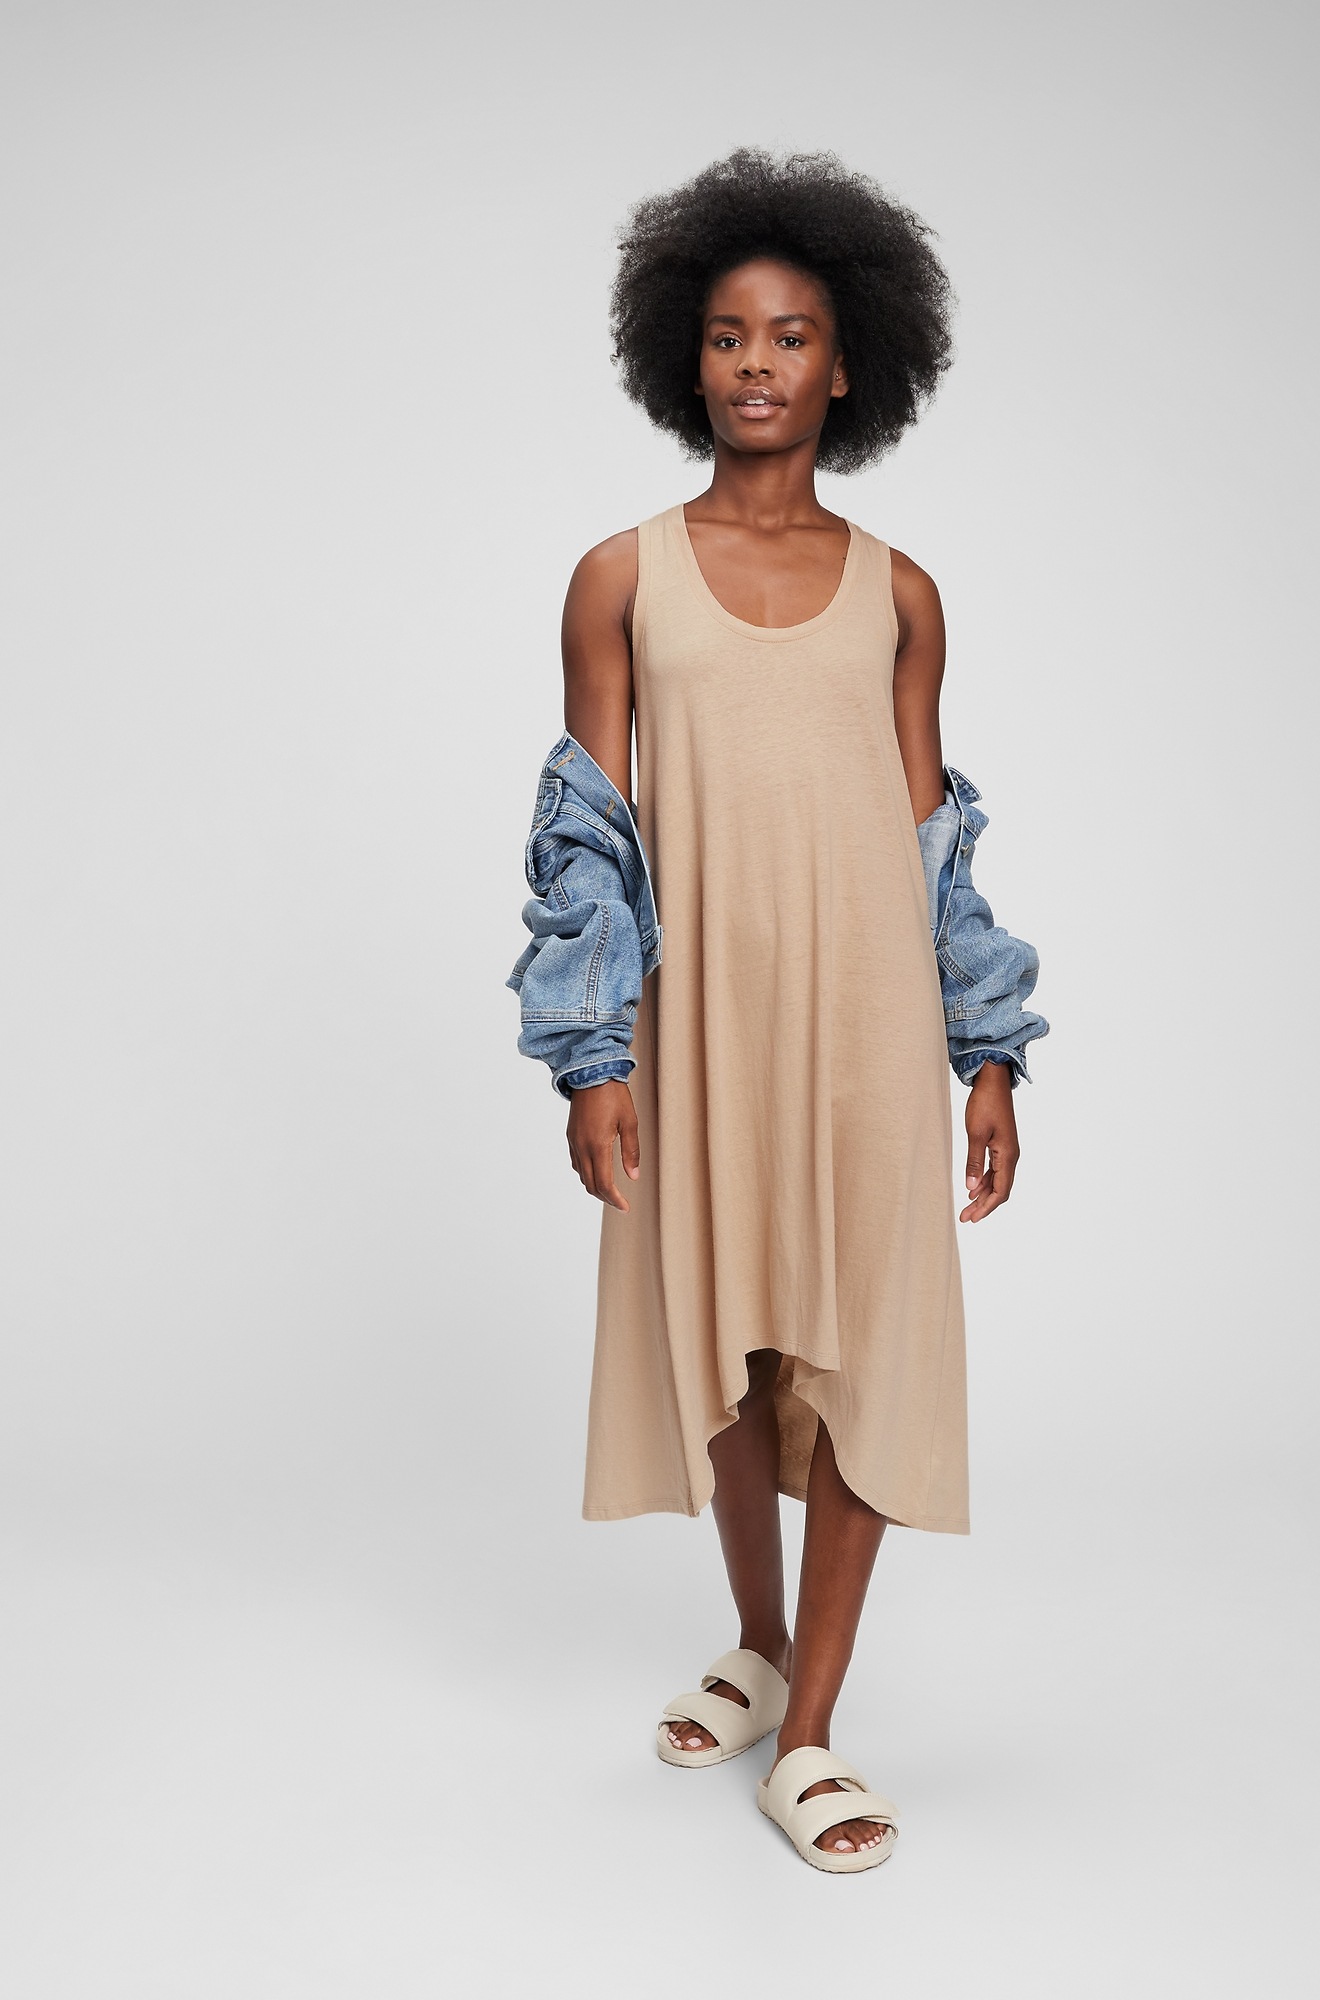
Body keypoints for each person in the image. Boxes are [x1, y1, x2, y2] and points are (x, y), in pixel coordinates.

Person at [506, 148, 1048, 1873]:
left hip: (869, 1022)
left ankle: (809, 1730)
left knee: (866, 1340)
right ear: (688, 355)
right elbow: (585, 833)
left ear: (848, 365)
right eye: (730, 335)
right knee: (732, 1350)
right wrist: (590, 1056)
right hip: (697, 1020)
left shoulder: (903, 592)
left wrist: (988, 1053)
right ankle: (757, 1643)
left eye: (791, 336)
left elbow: (932, 837)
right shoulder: (619, 575)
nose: (756, 363)